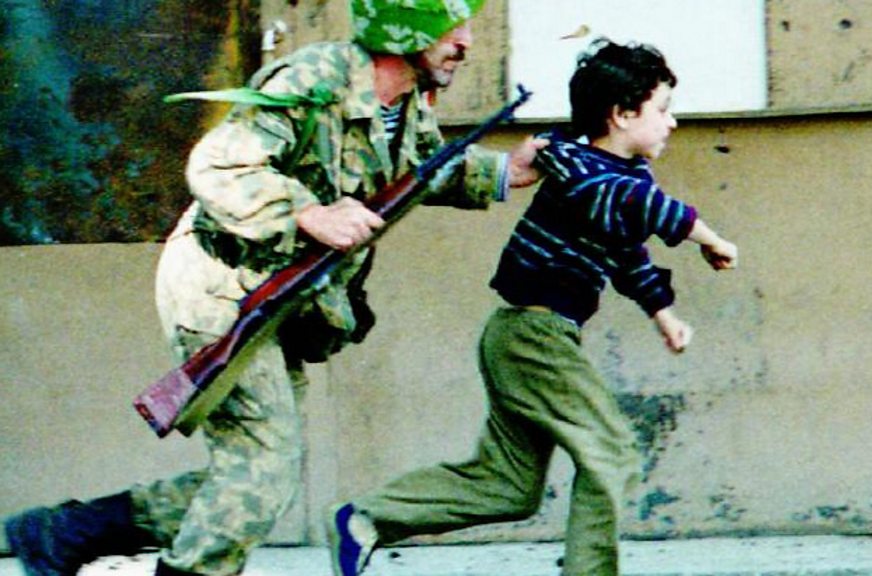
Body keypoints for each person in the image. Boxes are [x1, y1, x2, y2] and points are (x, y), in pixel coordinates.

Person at [2, 1, 545, 575]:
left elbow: (421, 168)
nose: (465, 43)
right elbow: (220, 167)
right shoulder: (316, 79)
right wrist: (308, 213)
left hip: (283, 297)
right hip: (222, 287)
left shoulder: (404, 103)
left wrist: (506, 171)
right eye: (450, 28)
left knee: (262, 475)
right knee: (260, 473)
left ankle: (69, 531)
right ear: (405, 29)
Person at [329, 37, 739, 576]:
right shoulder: (577, 165)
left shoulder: (623, 179)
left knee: (508, 485)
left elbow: (626, 250)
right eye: (662, 109)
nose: (672, 122)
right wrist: (710, 238)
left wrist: (663, 314)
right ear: (621, 114)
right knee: (611, 450)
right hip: (531, 335)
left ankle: (366, 519)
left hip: (527, 336)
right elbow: (641, 206)